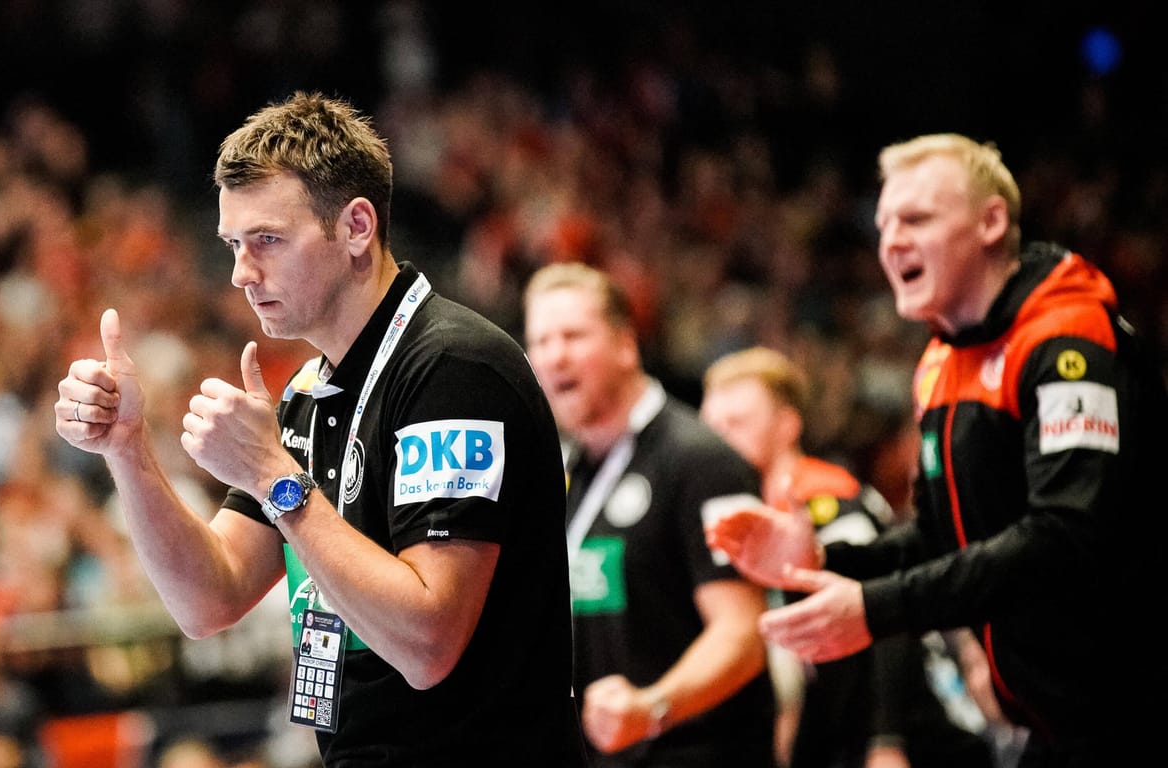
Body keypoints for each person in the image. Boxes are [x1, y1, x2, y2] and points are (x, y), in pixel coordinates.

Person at [55, 91, 588, 767]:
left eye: (268, 241)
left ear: (357, 226)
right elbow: (207, 599)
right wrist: (128, 451)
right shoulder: (310, 393)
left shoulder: (454, 367)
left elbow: (428, 644)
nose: (241, 273)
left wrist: (274, 475)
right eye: (233, 245)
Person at [704, 133, 1168, 767]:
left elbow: (1063, 539)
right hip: (1056, 727)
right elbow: (941, 534)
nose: (890, 240)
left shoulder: (1068, 339)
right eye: (884, 222)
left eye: (917, 218)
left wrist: (874, 609)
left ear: (990, 222)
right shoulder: (941, 363)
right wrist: (824, 557)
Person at [522, 262, 775, 768]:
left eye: (573, 335)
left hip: (698, 753)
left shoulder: (700, 460)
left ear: (625, 344)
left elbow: (742, 634)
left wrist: (653, 706)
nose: (555, 356)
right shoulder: (565, 470)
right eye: (541, 341)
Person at [701, 345, 995, 768]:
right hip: (837, 721)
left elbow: (887, 626)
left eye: (738, 422)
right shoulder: (748, 510)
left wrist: (886, 741)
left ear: (787, 425)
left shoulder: (827, 499)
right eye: (713, 426)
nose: (722, 440)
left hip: (913, 728)